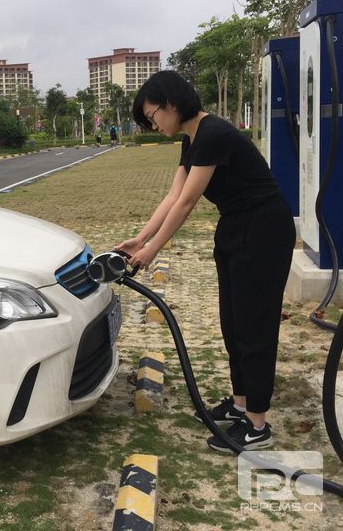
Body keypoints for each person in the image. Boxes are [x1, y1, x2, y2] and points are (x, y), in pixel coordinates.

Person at [115, 70, 295, 452]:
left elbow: (187, 203)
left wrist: (154, 251)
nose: (153, 124)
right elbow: (171, 196)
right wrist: (141, 238)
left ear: (173, 104)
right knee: (233, 322)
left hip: (263, 230)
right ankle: (242, 405)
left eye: (153, 115)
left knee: (254, 326)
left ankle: (258, 427)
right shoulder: (191, 140)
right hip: (234, 228)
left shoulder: (213, 133)